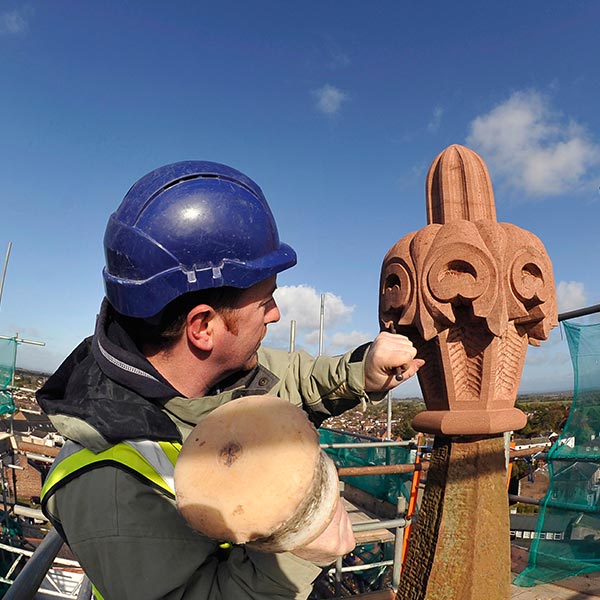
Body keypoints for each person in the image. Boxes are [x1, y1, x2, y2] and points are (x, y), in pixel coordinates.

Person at [38, 161, 423, 600]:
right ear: (203, 327)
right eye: (266, 301)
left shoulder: (216, 374)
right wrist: (299, 552)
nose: (276, 314)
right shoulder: (105, 481)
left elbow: (290, 379)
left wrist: (363, 369)